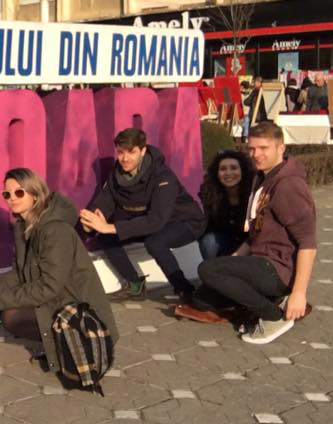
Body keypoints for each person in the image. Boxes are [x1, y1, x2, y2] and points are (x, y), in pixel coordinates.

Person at [0, 167, 118, 375]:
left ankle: (70, 346)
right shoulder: (24, 226)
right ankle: (57, 345)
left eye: (19, 192)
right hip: (56, 297)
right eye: (7, 194)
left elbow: (50, 286)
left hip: (78, 308)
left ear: (35, 194)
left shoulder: (55, 230)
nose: (12, 198)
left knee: (11, 316)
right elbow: (20, 272)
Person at [197, 121, 316, 344]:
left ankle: (273, 316)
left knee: (207, 269)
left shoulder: (287, 185)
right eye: (252, 148)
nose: (256, 154)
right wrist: (231, 263)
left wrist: (299, 293)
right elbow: (255, 234)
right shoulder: (263, 177)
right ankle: (259, 304)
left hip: (277, 269)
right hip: (260, 259)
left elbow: (308, 243)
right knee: (203, 297)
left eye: (263, 148)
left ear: (281, 148)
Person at [79, 128, 206, 302]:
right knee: (106, 236)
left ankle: (185, 290)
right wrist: (90, 223)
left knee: (155, 242)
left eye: (131, 152)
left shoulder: (162, 176)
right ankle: (135, 285)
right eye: (121, 152)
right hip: (148, 221)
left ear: (143, 150)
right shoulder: (116, 176)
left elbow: (156, 220)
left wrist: (111, 226)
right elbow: (104, 203)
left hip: (183, 221)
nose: (124, 158)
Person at [198, 150, 252, 259]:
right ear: (217, 173)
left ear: (243, 170)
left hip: (250, 242)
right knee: (209, 241)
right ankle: (214, 273)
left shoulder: (253, 192)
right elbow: (206, 228)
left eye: (233, 168)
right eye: (223, 169)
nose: (228, 173)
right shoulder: (209, 194)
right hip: (222, 242)